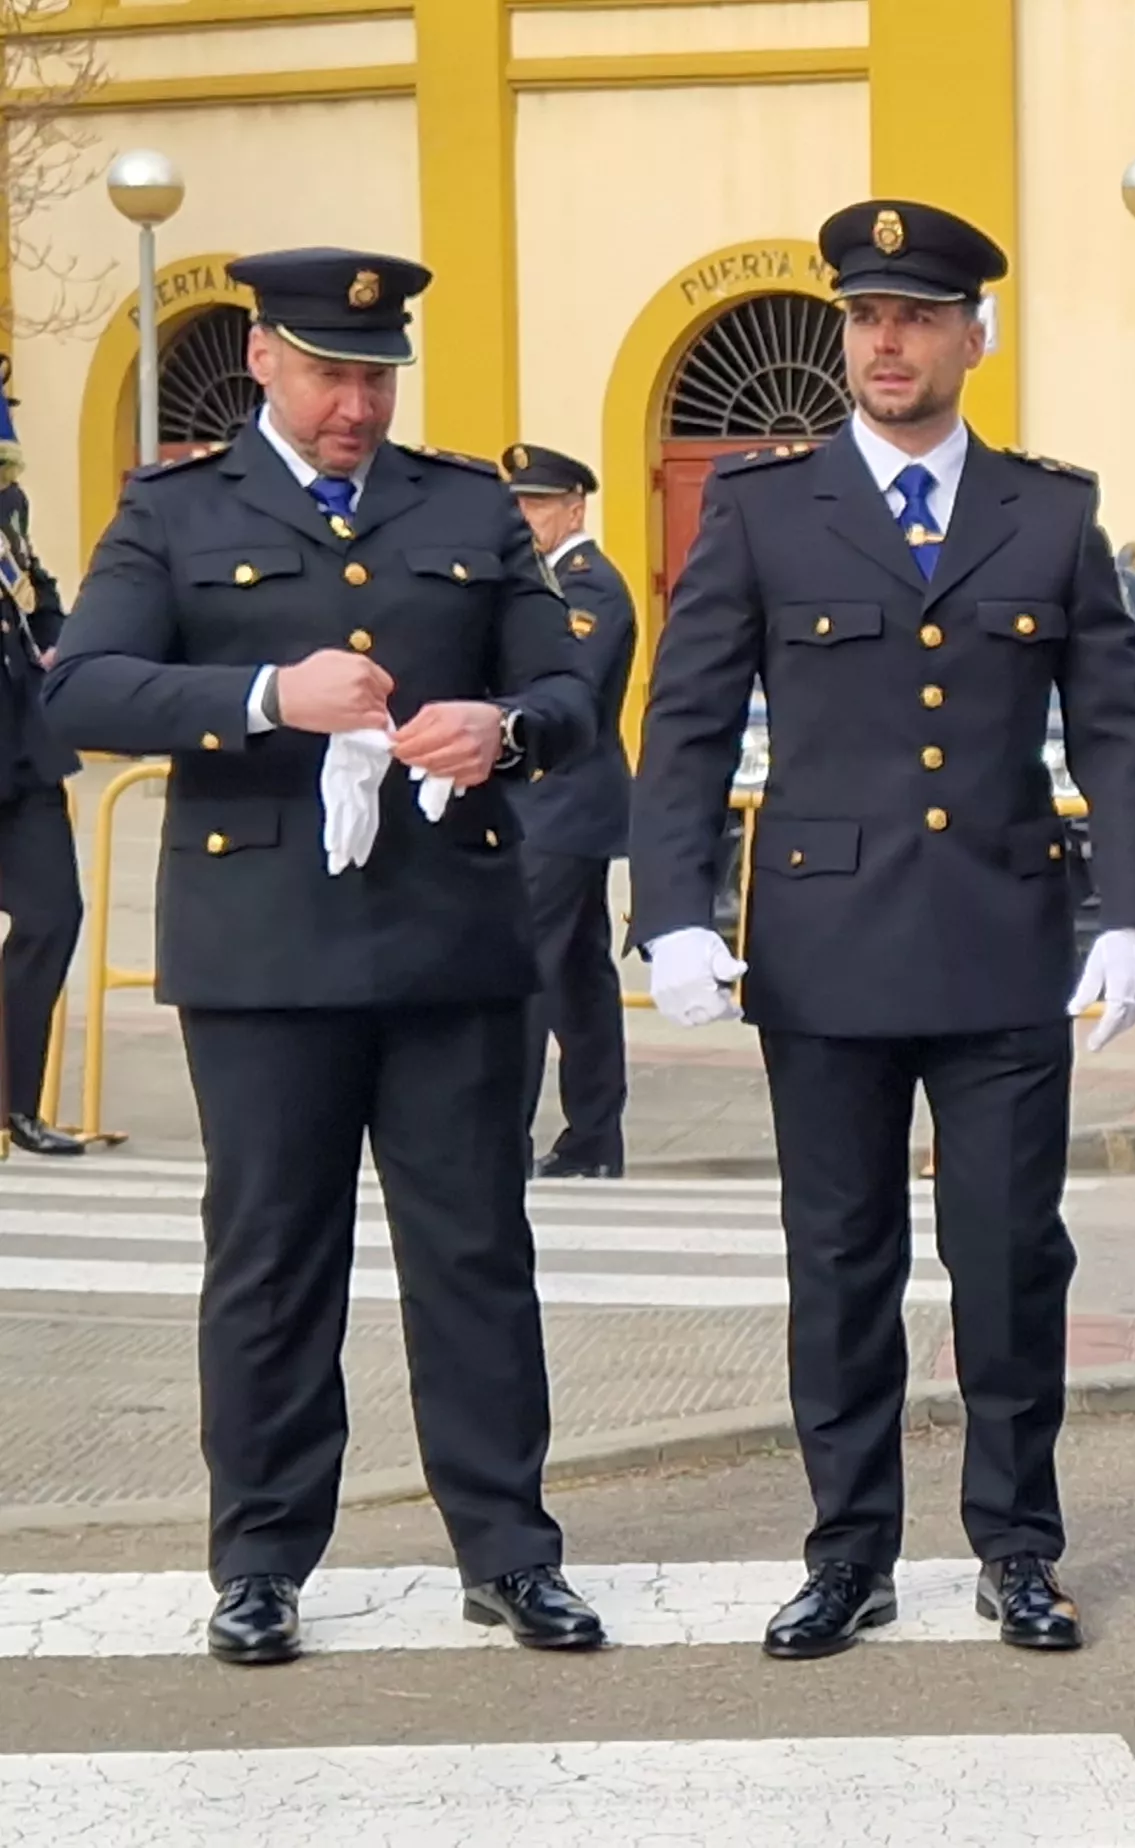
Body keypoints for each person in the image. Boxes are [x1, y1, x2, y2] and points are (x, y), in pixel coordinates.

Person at [43, 247, 604, 1663]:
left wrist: (510, 729)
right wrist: (261, 693)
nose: (357, 403)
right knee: (272, 1260)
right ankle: (262, 1558)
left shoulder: (469, 506)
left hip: (449, 939)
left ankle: (509, 1550)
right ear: (262, 365)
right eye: (331, 373)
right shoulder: (175, 512)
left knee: (474, 1253)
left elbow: (568, 688)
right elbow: (86, 691)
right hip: (264, 948)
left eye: (375, 374)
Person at [630, 201, 1135, 1660]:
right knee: (843, 1259)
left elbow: (1116, 734)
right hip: (822, 950)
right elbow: (682, 728)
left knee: (1008, 1259)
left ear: (971, 338)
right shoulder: (763, 504)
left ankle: (1019, 1546)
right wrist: (670, 913)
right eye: (867, 316)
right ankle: (848, 1549)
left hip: (1004, 942)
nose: (887, 341)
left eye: (918, 317)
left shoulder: (1048, 511)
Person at [502, 444, 633, 1179]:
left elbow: (562, 688)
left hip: (561, 799)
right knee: (579, 976)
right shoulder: (548, 582)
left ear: (574, 508)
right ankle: (592, 1140)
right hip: (561, 805)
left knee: (527, 969)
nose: (523, 519)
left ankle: (507, 1136)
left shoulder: (588, 588)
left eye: (537, 505)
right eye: (515, 505)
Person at [0, 360, 83, 1156]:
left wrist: (60, 641)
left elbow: (37, 589)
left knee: (54, 916)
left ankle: (13, 1103)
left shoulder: (6, 506)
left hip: (21, 753)